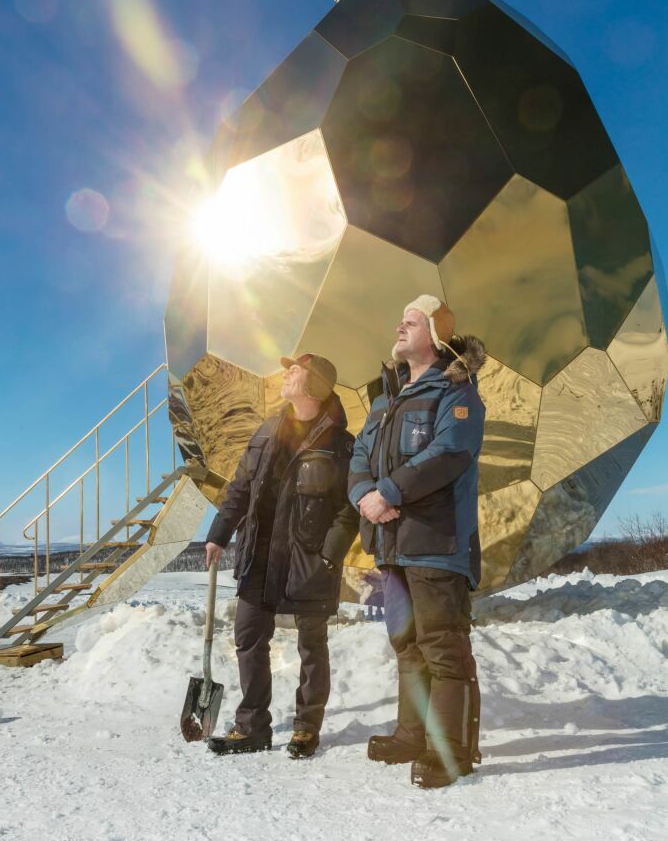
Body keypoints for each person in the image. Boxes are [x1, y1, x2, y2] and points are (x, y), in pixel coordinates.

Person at [348, 295, 486, 789]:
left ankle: (451, 752)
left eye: (411, 321)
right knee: (407, 646)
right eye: (401, 319)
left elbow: (449, 453)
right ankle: (412, 734)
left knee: (443, 646)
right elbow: (359, 455)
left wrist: (389, 491)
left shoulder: (457, 393)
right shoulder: (385, 402)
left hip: (436, 544)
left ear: (434, 335)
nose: (400, 326)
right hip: (391, 546)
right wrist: (366, 493)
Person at [204, 353, 358, 759]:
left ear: (315, 385)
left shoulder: (340, 443)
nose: (287, 373)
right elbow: (241, 485)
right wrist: (219, 532)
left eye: (296, 369)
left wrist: (329, 554)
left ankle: (307, 727)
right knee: (249, 638)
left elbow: (350, 507)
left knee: (312, 644)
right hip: (259, 553)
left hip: (307, 559)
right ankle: (252, 726)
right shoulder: (269, 428)